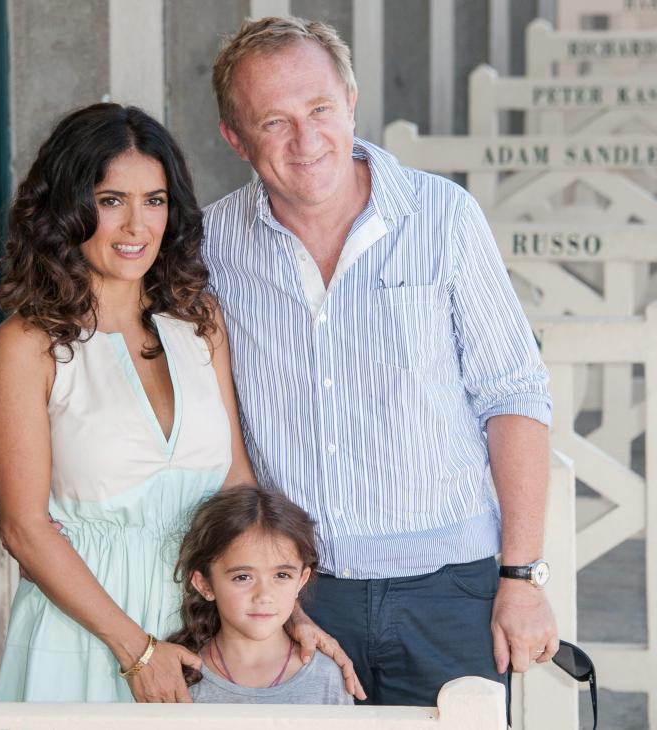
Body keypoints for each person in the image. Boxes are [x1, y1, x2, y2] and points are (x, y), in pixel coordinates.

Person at [201, 17, 558, 707]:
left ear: (351, 99)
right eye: (274, 122)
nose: (306, 142)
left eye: (319, 109)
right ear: (234, 136)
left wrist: (522, 577)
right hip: (291, 601)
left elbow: (513, 395)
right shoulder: (210, 245)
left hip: (450, 592)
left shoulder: (443, 217)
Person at [0, 103, 256, 702]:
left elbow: (235, 479)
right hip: (83, 637)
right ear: (67, 210)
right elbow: (24, 529)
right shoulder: (26, 346)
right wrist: (138, 650)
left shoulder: (200, 321)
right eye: (112, 201)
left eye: (154, 201)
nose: (137, 226)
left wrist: (273, 607)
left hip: (202, 629)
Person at [168, 486, 352, 705]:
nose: (264, 595)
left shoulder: (326, 678)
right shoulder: (178, 679)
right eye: (243, 577)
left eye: (281, 575)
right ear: (204, 584)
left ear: (301, 580)